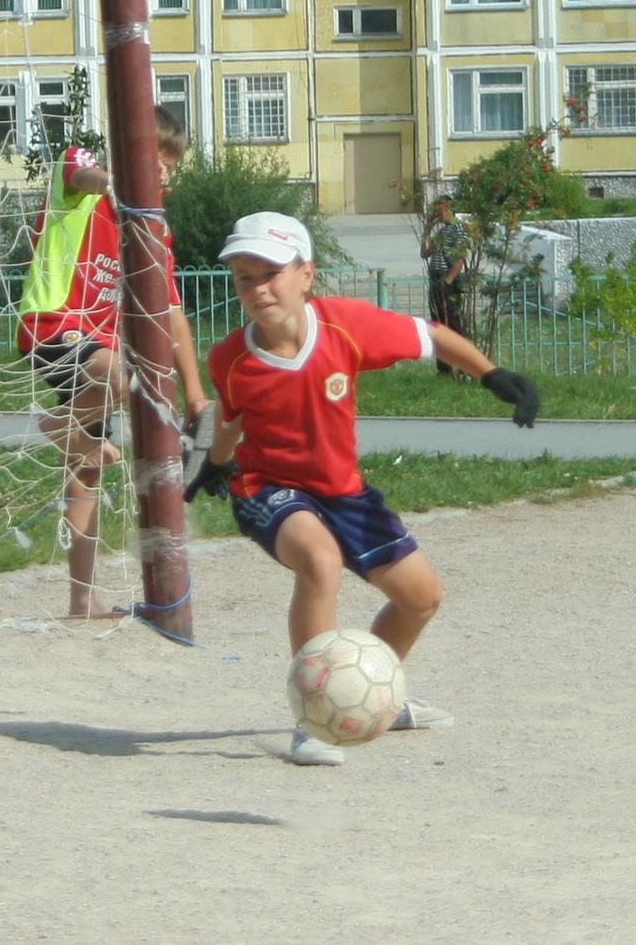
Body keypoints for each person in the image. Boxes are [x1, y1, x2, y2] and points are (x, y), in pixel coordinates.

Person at [187, 211, 539, 766]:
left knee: (421, 600)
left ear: (306, 274)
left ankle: (367, 696)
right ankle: (313, 717)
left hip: (342, 491)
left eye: (270, 272)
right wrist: (216, 463)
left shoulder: (346, 326)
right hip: (266, 488)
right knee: (320, 562)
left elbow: (433, 336)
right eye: (244, 277)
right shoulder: (229, 357)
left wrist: (493, 376)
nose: (257, 288)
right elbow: (231, 419)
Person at [14, 109, 209, 620]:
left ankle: (82, 597)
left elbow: (170, 313)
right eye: (154, 160)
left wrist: (194, 394)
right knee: (123, 372)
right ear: (126, 157)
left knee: (86, 474)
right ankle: (60, 425)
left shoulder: (154, 229)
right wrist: (114, 183)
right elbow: (81, 174)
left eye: (172, 164)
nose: (163, 172)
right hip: (55, 329)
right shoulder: (87, 180)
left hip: (98, 354)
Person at [419, 203, 470, 376]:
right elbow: (425, 253)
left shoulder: (459, 230)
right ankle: (444, 368)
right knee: (438, 324)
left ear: (450, 211)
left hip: (446, 279)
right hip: (435, 280)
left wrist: (448, 280)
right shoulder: (442, 232)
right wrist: (427, 228)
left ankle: (462, 366)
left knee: (453, 324)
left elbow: (461, 256)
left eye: (441, 211)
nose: (438, 215)